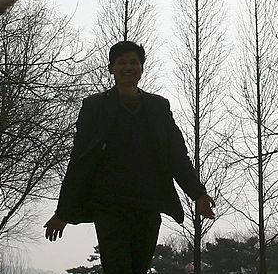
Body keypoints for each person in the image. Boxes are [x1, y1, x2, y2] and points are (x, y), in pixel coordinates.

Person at [44, 40, 215, 273]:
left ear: (142, 68)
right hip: (109, 206)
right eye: (121, 62)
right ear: (111, 68)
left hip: (148, 205)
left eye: (134, 62)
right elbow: (80, 161)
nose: (128, 67)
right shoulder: (95, 107)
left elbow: (177, 156)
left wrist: (198, 194)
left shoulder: (158, 107)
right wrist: (63, 212)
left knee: (139, 268)